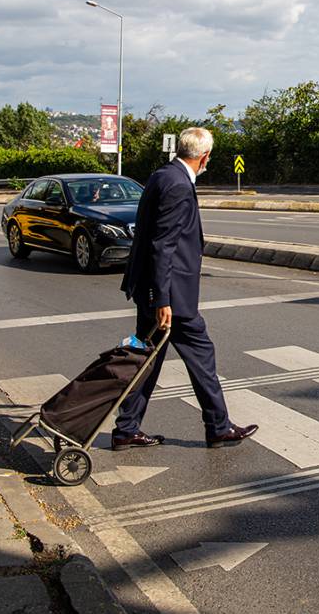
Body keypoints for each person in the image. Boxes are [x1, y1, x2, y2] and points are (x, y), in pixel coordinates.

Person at [112, 127, 258, 450]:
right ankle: (218, 426)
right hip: (171, 297)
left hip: (156, 292)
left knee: (147, 361)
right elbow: (162, 245)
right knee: (201, 353)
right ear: (204, 157)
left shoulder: (163, 175)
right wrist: (163, 299)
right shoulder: (178, 184)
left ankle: (126, 429)